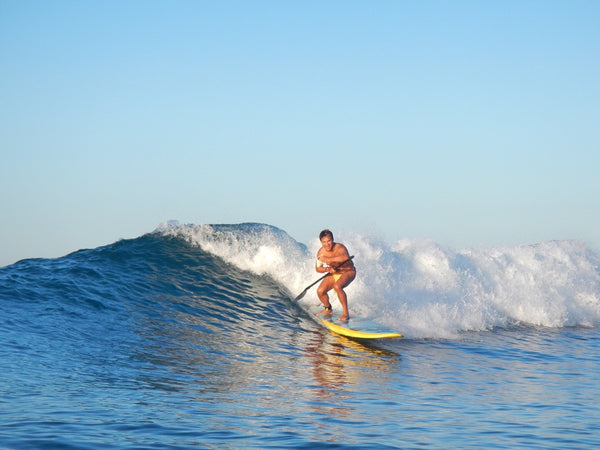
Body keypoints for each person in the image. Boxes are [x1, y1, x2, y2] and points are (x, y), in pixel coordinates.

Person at [315, 229, 356, 321]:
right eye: (324, 242)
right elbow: (318, 268)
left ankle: (345, 313)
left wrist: (330, 260)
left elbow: (345, 257)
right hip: (335, 273)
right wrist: (327, 269)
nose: (327, 244)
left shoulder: (339, 247)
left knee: (337, 286)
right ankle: (328, 309)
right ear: (321, 242)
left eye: (329, 241)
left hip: (348, 272)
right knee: (320, 291)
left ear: (332, 240)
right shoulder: (321, 253)